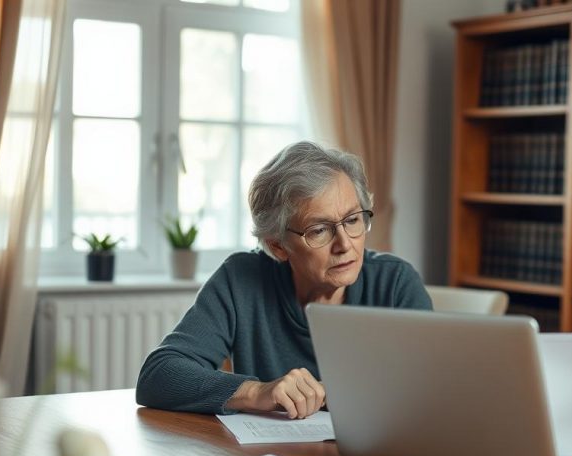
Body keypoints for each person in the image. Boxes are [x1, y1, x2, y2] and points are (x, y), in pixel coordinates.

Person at [137, 141, 432, 418]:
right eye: (319, 230)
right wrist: (255, 392)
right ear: (278, 246)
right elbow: (158, 375)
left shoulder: (395, 283)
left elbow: (433, 391)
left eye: (353, 220)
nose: (345, 244)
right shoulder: (242, 279)